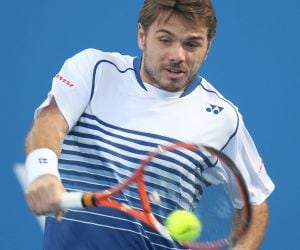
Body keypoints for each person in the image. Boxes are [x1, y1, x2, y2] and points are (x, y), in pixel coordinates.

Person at [24, 0, 275, 249]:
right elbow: (50, 123)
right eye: (165, 40)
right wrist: (42, 171)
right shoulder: (95, 71)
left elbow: (255, 204)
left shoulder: (222, 118)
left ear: (207, 48)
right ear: (142, 36)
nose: (177, 56)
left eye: (192, 44)